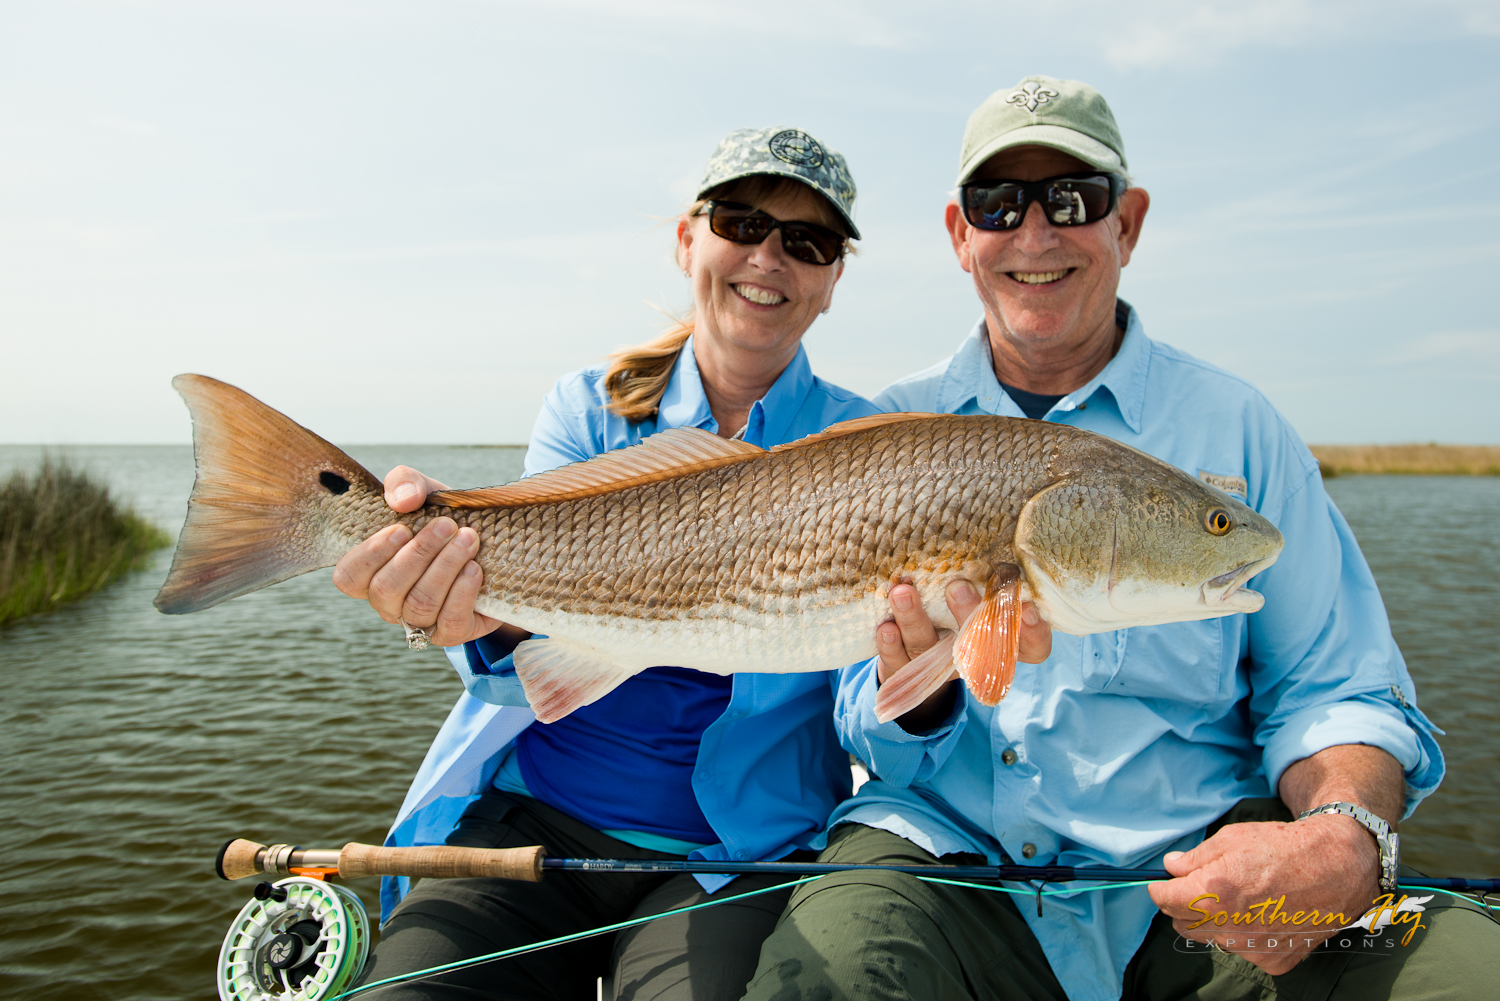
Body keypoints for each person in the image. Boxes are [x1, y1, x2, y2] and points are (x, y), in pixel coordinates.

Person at [742, 77, 1497, 1001]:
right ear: (959, 234)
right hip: (942, 863)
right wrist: (926, 695)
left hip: (1203, 873)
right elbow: (859, 708)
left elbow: (1339, 688)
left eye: (1072, 199)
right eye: (998, 203)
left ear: (1127, 224)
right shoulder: (889, 429)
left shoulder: (1239, 427)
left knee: (1466, 974)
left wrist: (1342, 835)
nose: (1034, 233)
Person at [332, 127, 879, 1000]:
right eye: (742, 222)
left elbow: (866, 696)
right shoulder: (588, 407)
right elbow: (522, 653)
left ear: (831, 280)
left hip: (730, 858)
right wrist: (456, 601)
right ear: (686, 239)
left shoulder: (876, 444)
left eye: (807, 241)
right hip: (531, 827)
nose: (768, 256)